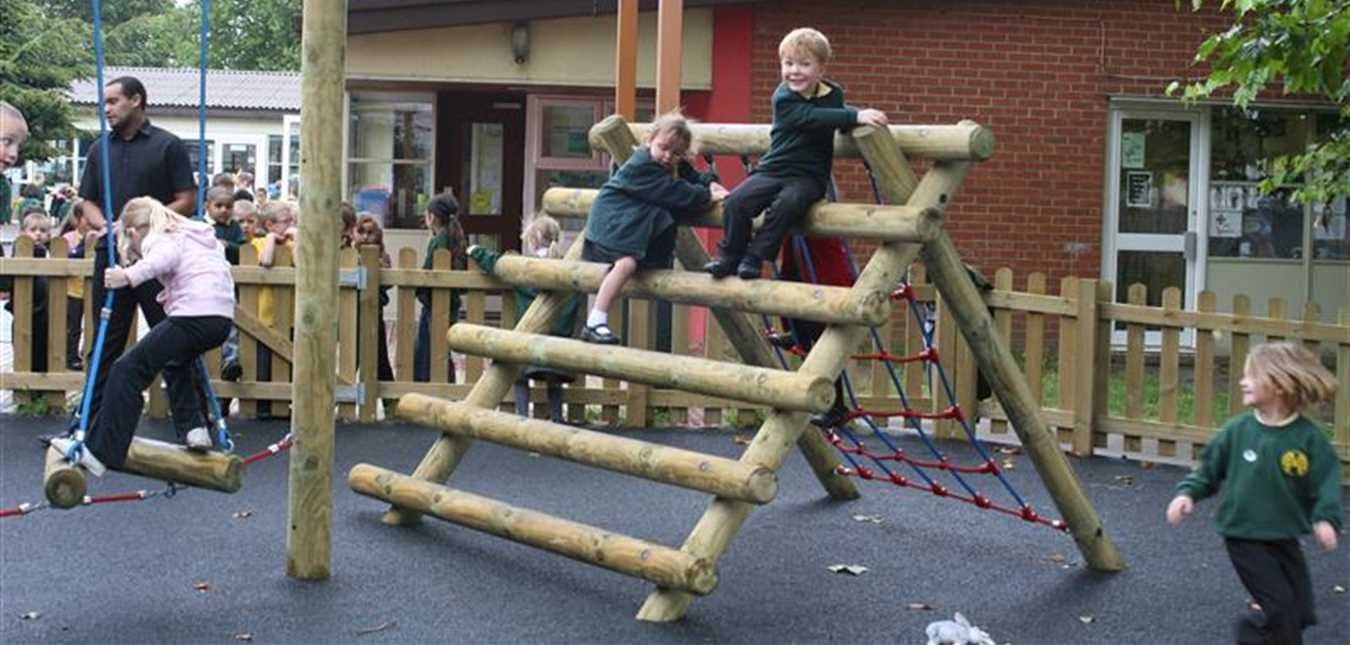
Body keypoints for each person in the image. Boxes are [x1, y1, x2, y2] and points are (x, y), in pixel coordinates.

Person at [1166, 341, 1342, 645]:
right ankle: (1254, 636)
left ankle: (1257, 633)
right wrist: (1187, 494)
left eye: (1251, 375)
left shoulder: (1307, 438)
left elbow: (1325, 482)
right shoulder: (1238, 431)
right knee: (1281, 612)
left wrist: (1325, 518)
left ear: (1278, 384)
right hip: (1244, 536)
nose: (1242, 381)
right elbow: (1209, 471)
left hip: (1283, 536)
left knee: (1300, 612)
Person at [51, 197, 234, 475]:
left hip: (192, 316)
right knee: (177, 361)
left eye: (130, 246)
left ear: (132, 232)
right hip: (219, 320)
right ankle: (194, 429)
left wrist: (126, 275)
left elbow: (163, 259)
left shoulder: (159, 237)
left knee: (126, 370)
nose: (135, 250)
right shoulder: (196, 236)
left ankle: (101, 451)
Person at [704, 27, 888, 280]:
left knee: (787, 204)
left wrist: (858, 118)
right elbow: (810, 117)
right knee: (737, 202)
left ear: (821, 69)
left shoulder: (832, 94)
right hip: (774, 169)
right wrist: (854, 115)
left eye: (804, 64)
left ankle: (755, 257)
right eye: (788, 64)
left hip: (809, 176)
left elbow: (835, 116)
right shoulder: (783, 98)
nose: (794, 71)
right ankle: (730, 255)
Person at [73, 76, 197, 434]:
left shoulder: (167, 146)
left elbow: (186, 199)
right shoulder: (99, 149)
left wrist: (149, 227)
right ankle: (87, 421)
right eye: (104, 102)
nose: (106, 109)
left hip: (157, 258)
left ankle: (191, 425)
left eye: (113, 101)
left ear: (136, 100)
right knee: (104, 341)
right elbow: (88, 200)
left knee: (171, 337)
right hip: (113, 257)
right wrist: (109, 228)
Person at [579, 111, 726, 344]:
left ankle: (597, 317)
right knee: (626, 264)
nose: (668, 156)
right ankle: (595, 320)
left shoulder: (670, 163)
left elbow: (692, 177)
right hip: (611, 222)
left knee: (632, 263)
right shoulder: (643, 165)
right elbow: (675, 192)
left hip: (626, 222)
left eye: (677, 153)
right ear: (650, 140)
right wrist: (707, 195)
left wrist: (710, 183)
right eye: (663, 148)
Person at [469, 215, 582, 422]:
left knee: (518, 375)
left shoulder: (526, 268)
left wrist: (475, 251)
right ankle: (557, 419)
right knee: (554, 382)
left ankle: (522, 417)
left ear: (534, 239)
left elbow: (497, 264)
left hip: (530, 343)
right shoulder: (567, 270)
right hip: (560, 345)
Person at [249, 200, 296, 418]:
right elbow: (265, 261)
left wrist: (296, 239)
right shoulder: (259, 242)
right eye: (286, 221)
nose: (290, 225)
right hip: (265, 314)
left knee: (289, 361)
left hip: (289, 315)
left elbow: (300, 262)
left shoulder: (291, 244)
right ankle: (263, 406)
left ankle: (285, 404)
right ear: (269, 224)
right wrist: (270, 239)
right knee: (264, 363)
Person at [413, 192, 467, 383]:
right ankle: (446, 389)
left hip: (434, 304)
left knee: (427, 352)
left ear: (432, 217)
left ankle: (429, 390)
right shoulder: (455, 238)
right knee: (441, 350)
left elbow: (428, 270)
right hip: (450, 302)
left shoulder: (439, 241)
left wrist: (417, 289)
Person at [352, 213, 398, 415]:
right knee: (350, 356)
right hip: (351, 312)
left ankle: (390, 403)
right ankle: (338, 397)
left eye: (370, 233)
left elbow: (389, 281)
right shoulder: (349, 254)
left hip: (374, 311)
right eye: (361, 232)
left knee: (380, 357)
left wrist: (377, 267)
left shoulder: (382, 255)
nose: (365, 237)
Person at [6, 209, 53, 372]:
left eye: (43, 231)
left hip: (45, 311)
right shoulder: (20, 251)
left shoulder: (50, 253)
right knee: (23, 349)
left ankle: (40, 390)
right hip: (25, 309)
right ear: (23, 233)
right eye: (33, 230)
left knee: (43, 351)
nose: (38, 234)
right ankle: (25, 388)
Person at [60, 200, 94, 370]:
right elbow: (67, 259)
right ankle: (70, 355)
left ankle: (87, 353)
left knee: (92, 324)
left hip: (92, 290)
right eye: (87, 219)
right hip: (72, 290)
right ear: (78, 219)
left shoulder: (97, 238)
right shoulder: (69, 238)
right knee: (73, 326)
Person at [206, 186, 244, 264]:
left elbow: (243, 248)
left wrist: (228, 245)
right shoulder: (199, 223)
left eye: (228, 207)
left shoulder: (235, 226)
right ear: (207, 206)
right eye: (218, 206)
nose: (224, 210)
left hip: (231, 270)